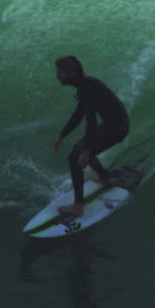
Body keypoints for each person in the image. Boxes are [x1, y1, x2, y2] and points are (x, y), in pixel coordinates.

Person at [51, 55, 130, 216]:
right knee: (78, 149)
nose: (57, 76)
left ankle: (78, 206)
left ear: (71, 73)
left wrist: (87, 150)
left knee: (75, 156)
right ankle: (105, 178)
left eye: (61, 72)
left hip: (117, 128)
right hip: (116, 125)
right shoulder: (86, 85)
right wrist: (62, 134)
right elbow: (79, 114)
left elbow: (91, 120)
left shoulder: (86, 88)